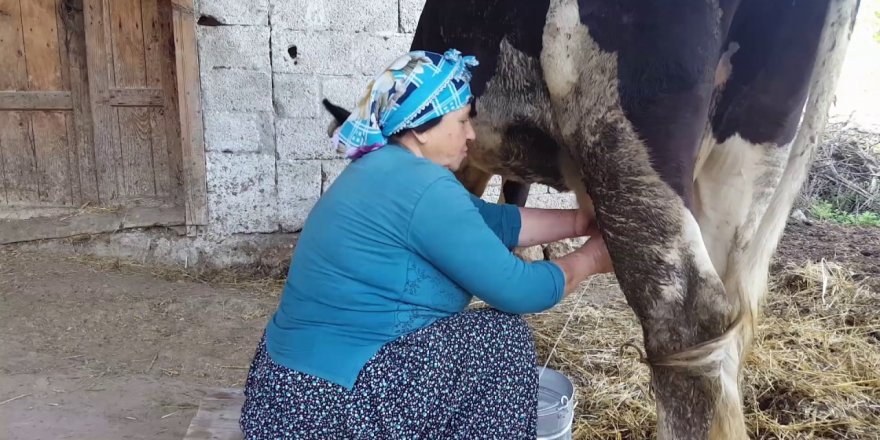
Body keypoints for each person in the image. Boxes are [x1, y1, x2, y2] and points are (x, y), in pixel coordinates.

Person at [239, 48, 613, 439]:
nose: (471, 134)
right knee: (501, 341)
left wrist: (580, 221)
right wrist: (593, 259)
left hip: (281, 400)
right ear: (420, 129)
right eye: (463, 119)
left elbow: (493, 221)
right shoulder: (422, 187)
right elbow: (519, 290)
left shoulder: (386, 168)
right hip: (330, 411)